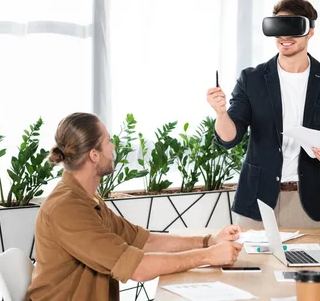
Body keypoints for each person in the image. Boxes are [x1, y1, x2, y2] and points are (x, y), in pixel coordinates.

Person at [27, 112, 243, 301]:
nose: (113, 148)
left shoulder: (87, 200)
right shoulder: (67, 209)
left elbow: (144, 241)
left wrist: (208, 242)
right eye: (108, 142)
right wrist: (208, 256)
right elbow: (138, 269)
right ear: (94, 155)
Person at [207, 0, 320, 228]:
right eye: (278, 30)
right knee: (250, 263)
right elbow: (229, 138)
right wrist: (221, 113)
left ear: (310, 32)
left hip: (310, 199)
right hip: (258, 199)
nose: (284, 38)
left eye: (292, 30)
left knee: (310, 263)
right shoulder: (252, 79)